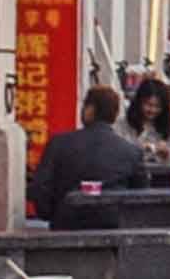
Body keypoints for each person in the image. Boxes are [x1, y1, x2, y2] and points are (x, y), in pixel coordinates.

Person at [29, 85, 150, 225]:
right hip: (114, 229)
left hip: (66, 226)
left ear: (90, 110)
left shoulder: (59, 144)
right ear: (115, 115)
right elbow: (141, 196)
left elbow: (41, 188)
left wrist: (51, 214)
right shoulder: (132, 152)